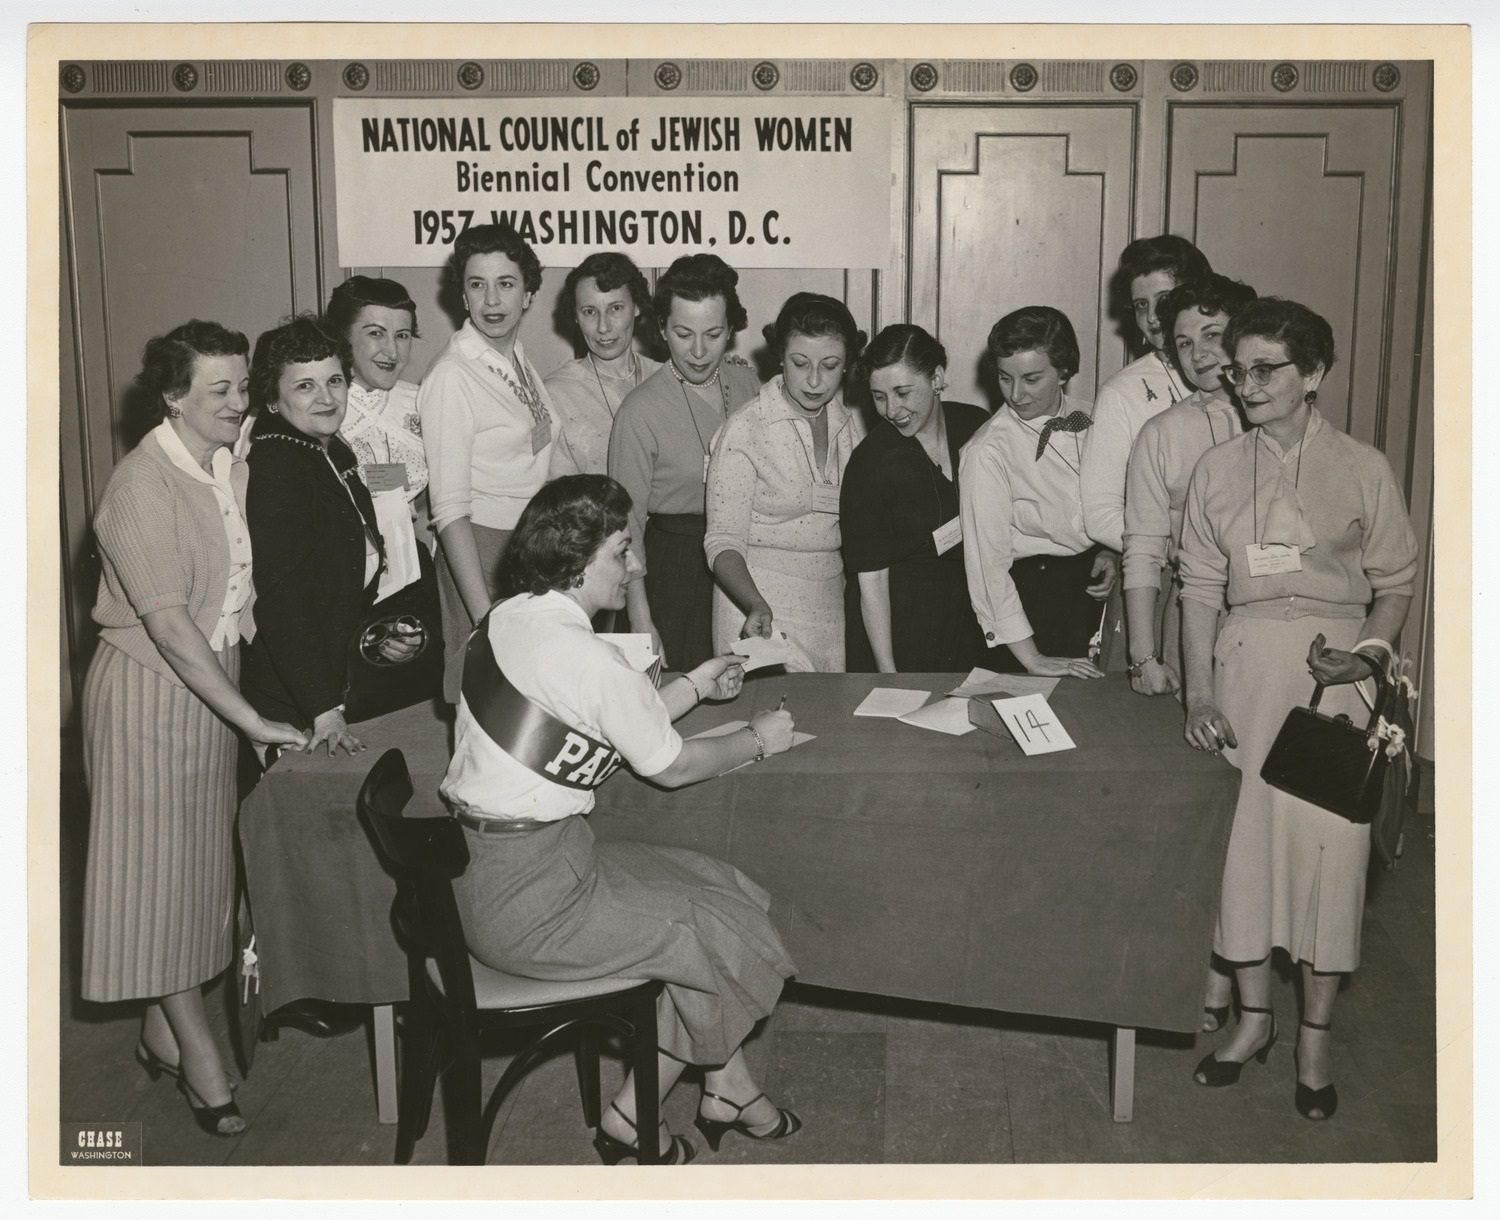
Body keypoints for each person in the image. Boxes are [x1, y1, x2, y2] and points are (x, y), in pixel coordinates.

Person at [444, 475, 802, 1164]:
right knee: (713, 936)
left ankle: (728, 1086)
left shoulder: (508, 618)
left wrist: (694, 684)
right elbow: (669, 766)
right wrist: (761, 737)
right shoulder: (589, 659)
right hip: (533, 901)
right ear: (577, 558)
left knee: (720, 886)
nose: (636, 565)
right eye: (622, 550)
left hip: (501, 870)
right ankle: (628, 1118)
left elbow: (598, 723)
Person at [1177, 298, 1417, 1121]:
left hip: (1333, 689)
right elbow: (1201, 588)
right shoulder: (1215, 469)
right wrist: (1199, 693)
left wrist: (1371, 655)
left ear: (1312, 375)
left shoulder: (1363, 468)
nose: (1245, 383)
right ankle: (1251, 1022)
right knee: (1240, 855)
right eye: (1236, 369)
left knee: (1329, 862)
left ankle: (1313, 1036)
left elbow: (1395, 584)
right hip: (1242, 678)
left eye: (1266, 369)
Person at [81, 321, 308, 1137]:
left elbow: (229, 601)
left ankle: (157, 1030)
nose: (238, 402)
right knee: (156, 883)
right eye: (220, 391)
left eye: (243, 386)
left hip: (209, 692)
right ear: (171, 397)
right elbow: (173, 629)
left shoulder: (220, 464)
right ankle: (199, 1058)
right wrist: (251, 718)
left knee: (195, 883)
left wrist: (245, 709)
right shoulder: (140, 488)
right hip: (149, 697)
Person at [1122, 272, 1256, 1036]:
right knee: (1207, 802)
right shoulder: (1164, 435)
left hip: (1269, 628)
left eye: (1214, 334)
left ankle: (1254, 968)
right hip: (1192, 623)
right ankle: (1207, 967)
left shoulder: (1283, 420)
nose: (1202, 353)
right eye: (1183, 343)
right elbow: (1143, 550)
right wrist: (1147, 656)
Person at [241, 315, 415, 754]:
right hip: (296, 698)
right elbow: (284, 599)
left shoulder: (330, 450)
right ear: (273, 398)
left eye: (334, 381)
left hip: (333, 679)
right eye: (305, 386)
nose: (326, 398)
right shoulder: (279, 465)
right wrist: (323, 708)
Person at [419, 223, 556, 702]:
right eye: (477, 285)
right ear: (462, 294)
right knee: (489, 699)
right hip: (478, 553)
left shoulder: (512, 354)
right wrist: (485, 617)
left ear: (529, 293)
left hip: (525, 548)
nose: (492, 300)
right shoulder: (453, 376)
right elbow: (449, 510)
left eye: (506, 283)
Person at [607, 253, 760, 669]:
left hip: (745, 563)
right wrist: (642, 621)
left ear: (731, 330)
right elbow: (627, 526)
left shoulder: (748, 384)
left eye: (713, 334)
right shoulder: (639, 411)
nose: (697, 351)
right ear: (660, 329)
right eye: (682, 333)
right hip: (674, 572)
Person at [704, 292, 866, 671]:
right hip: (757, 609)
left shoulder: (849, 425)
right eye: (800, 363)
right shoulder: (746, 429)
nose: (814, 380)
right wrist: (755, 603)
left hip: (827, 604)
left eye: (830, 365)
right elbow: (722, 541)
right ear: (780, 357)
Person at [959, 306, 1112, 678]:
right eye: (1004, 378)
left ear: (1064, 371)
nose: (1016, 394)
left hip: (1095, 590)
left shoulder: (1098, 416)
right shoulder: (986, 452)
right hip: (1032, 609)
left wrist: (1111, 551)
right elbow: (988, 568)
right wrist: (1032, 659)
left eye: (1031, 378)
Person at [840, 324, 988, 673]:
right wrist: (888, 673)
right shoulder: (870, 462)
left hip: (971, 619)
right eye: (879, 397)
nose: (892, 410)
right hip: (898, 626)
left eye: (903, 392)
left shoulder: (977, 427)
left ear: (937, 378)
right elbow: (871, 584)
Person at [1080, 235, 1213, 554]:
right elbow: (1100, 515)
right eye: (1141, 305)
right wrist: (1175, 552)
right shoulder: (1121, 393)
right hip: (1161, 572)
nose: (1153, 317)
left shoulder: (1239, 375)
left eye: (1164, 300)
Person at [324, 275, 433, 553]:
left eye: (402, 336)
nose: (392, 351)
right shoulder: (315, 407)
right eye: (375, 333)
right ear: (342, 335)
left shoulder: (421, 400)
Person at [546, 252, 663, 479]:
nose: (603, 327)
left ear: (636, 307)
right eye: (590, 312)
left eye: (616, 308)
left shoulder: (666, 378)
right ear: (575, 317)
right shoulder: (555, 393)